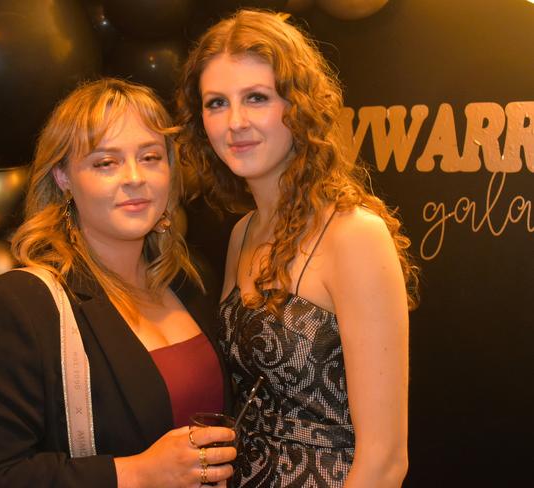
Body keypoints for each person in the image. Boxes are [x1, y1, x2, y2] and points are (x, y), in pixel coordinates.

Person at [0, 78, 237, 487]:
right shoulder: (21, 306)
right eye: (105, 162)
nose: (134, 177)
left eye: (150, 157)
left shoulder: (190, 282)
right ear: (63, 177)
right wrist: (135, 474)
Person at [177, 9, 419, 488]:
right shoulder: (242, 233)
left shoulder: (354, 235)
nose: (236, 122)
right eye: (217, 103)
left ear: (299, 106)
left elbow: (386, 462)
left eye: (257, 98)